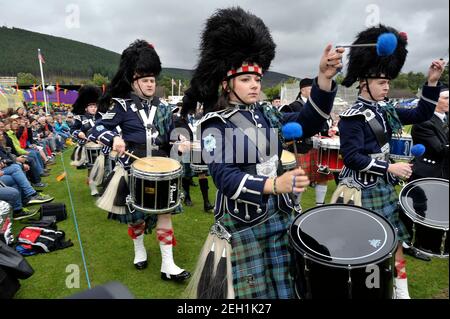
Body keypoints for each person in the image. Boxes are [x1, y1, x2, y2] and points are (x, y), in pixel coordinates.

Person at [182, 7, 343, 299]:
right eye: (246, 80)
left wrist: (323, 79)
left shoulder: (264, 114)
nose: (255, 85)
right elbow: (225, 178)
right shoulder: (213, 125)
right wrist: (274, 185)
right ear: (226, 83)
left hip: (279, 216)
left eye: (257, 79)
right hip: (244, 224)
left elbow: (310, 122)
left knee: (288, 290)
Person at [335, 25, 446, 299]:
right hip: (361, 191)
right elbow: (351, 157)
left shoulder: (386, 109)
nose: (387, 87)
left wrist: (431, 82)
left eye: (388, 82)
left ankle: (401, 291)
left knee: (395, 242)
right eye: (382, 82)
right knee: (367, 248)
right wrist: (389, 167)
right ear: (365, 83)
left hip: (383, 189)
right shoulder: (352, 116)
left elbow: (421, 111)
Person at [89, 40, 190, 282]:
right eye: (145, 80)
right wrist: (113, 138)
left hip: (160, 170)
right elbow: (97, 129)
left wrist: (180, 142)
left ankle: (168, 264)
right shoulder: (121, 106)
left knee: (165, 215)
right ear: (134, 81)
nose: (150, 84)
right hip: (132, 171)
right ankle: (139, 250)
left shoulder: (164, 108)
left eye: (153, 80)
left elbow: (169, 137)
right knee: (135, 218)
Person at [279, 77, 334, 206]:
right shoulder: (292, 107)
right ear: (303, 90)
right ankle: (296, 206)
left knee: (322, 177)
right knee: (300, 179)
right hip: (300, 149)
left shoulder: (319, 107)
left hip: (318, 148)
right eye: (311, 88)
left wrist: (327, 132)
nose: (313, 91)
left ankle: (320, 206)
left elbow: (324, 125)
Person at [410, 85, 449, 180]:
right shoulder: (423, 122)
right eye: (446, 98)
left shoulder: (447, 117)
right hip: (429, 174)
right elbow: (440, 150)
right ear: (434, 100)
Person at [70, 85, 103, 172]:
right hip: (86, 145)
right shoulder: (80, 118)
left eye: (95, 107)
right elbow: (72, 130)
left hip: (102, 144)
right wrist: (78, 133)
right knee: (91, 166)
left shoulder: (102, 117)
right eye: (91, 107)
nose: (93, 109)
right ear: (86, 108)